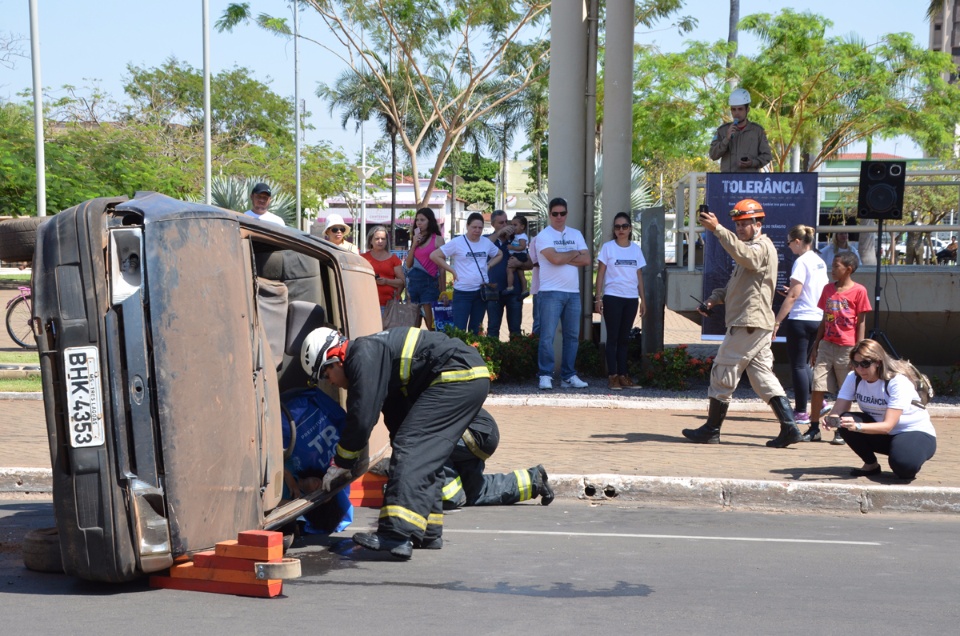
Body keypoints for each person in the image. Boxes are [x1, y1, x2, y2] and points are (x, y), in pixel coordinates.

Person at [302, 326, 492, 559]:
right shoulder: (374, 359)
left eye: (324, 374)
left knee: (412, 446)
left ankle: (395, 534)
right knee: (421, 453)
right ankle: (427, 532)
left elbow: (362, 418)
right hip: (463, 374)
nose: (329, 382)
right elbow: (396, 415)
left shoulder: (363, 354)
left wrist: (341, 462)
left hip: (456, 375)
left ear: (335, 358)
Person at [681, 199, 802, 448]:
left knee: (722, 372)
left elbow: (747, 258)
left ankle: (712, 429)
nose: (739, 228)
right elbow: (734, 286)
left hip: (749, 323)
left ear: (758, 224)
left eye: (745, 223)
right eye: (737, 224)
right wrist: (714, 300)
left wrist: (717, 229)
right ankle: (790, 428)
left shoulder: (761, 247)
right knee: (762, 378)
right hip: (752, 323)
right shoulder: (749, 247)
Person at [822, 339, 936, 480]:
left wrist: (857, 426)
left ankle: (907, 454)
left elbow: (887, 426)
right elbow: (839, 409)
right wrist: (832, 419)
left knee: (904, 468)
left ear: (878, 362)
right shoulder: (854, 377)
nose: (860, 369)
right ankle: (871, 465)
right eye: (855, 364)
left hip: (912, 432)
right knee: (844, 419)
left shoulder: (897, 382)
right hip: (881, 433)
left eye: (865, 364)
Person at [804, 252, 871, 443]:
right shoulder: (827, 290)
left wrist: (858, 351)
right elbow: (825, 319)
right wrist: (816, 345)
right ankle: (814, 427)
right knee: (817, 386)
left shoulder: (859, 291)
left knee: (845, 390)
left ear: (848, 269)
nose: (832, 270)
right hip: (826, 345)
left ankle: (841, 429)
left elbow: (861, 323)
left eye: (836, 266)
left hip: (847, 347)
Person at [439, 408, 555, 509]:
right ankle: (532, 481)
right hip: (477, 431)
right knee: (473, 492)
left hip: (473, 432)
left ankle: (448, 497)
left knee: (427, 445)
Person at [773, 225, 828, 430]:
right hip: (817, 317)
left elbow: (794, 295)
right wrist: (793, 293)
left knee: (797, 365)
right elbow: (810, 290)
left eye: (789, 243)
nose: (788, 247)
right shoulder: (819, 261)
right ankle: (820, 402)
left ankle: (802, 412)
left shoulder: (801, 261)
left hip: (801, 318)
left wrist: (777, 321)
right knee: (806, 364)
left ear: (797, 242)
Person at [537, 197, 591, 390]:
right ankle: (545, 375)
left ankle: (568, 376)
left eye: (562, 213)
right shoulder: (543, 235)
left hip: (573, 294)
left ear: (567, 214)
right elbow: (555, 259)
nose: (559, 217)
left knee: (572, 337)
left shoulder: (575, 233)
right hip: (550, 292)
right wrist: (573, 253)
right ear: (549, 214)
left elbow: (587, 260)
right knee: (547, 336)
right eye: (555, 214)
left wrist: (563, 257)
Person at [594, 212, 646, 391]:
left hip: (630, 298)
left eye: (624, 226)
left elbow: (639, 276)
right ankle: (613, 377)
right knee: (613, 338)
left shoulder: (636, 249)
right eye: (617, 227)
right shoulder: (608, 248)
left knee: (624, 339)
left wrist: (642, 300)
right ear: (614, 230)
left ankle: (623, 376)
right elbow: (600, 273)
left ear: (630, 228)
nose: (621, 230)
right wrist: (598, 297)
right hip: (612, 297)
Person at [430, 212, 501, 334]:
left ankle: (474, 350)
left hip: (481, 292)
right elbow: (434, 255)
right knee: (459, 329)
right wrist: (451, 270)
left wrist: (489, 265)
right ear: (467, 226)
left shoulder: (486, 242)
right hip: (463, 292)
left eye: (480, 228)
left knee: (476, 329)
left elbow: (499, 254)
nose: (477, 230)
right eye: (474, 227)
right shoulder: (457, 242)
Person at [708, 88, 772, 173]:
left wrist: (752, 163)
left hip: (749, 181)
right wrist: (726, 139)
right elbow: (713, 155)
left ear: (747, 110)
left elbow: (767, 156)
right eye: (733, 109)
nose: (737, 113)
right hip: (728, 181)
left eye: (740, 109)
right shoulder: (722, 130)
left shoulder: (757, 131)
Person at [484, 210, 525, 338]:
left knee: (515, 330)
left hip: (513, 292)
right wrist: (498, 233)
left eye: (506, 221)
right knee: (493, 328)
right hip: (493, 290)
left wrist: (519, 263)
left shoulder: (515, 240)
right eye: (501, 222)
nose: (505, 225)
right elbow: (483, 245)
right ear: (493, 224)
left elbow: (529, 263)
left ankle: (514, 356)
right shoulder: (487, 240)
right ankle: (493, 357)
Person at [404, 207, 446, 330]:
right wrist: (414, 244)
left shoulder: (437, 240)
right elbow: (408, 264)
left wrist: (443, 291)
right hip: (414, 284)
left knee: (431, 324)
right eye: (417, 220)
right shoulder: (416, 239)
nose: (419, 223)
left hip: (429, 284)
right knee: (414, 324)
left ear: (430, 221)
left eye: (422, 220)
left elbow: (442, 268)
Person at [362, 226, 405, 311]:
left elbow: (402, 281)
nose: (380, 241)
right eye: (377, 239)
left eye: (383, 239)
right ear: (370, 240)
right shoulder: (363, 258)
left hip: (389, 305)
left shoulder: (394, 259)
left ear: (386, 241)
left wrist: (386, 281)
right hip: (368, 304)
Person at [504, 215, 530, 296]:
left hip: (519, 255)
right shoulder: (516, 235)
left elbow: (522, 247)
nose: (513, 227)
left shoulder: (522, 236)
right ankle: (524, 290)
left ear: (522, 227)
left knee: (509, 269)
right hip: (518, 255)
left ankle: (510, 287)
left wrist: (512, 247)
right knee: (521, 274)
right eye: (512, 225)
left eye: (515, 225)